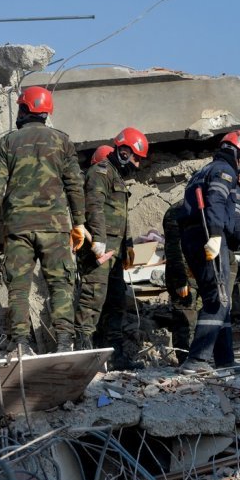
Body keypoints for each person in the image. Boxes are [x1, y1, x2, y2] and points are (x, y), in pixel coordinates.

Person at [0, 85, 86, 355]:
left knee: (18, 289)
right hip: (55, 227)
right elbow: (75, 184)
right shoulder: (63, 141)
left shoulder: (7, 143)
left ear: (25, 109)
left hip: (18, 227)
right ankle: (64, 343)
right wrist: (79, 222)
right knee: (61, 284)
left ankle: (21, 345)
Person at [177, 131, 240, 374]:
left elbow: (233, 221)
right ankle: (197, 361)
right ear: (238, 152)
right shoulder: (223, 171)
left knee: (220, 299)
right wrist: (215, 234)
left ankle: (225, 359)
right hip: (207, 234)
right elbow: (216, 201)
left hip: (196, 235)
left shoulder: (204, 171)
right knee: (218, 299)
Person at [73, 127, 149, 369]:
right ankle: (83, 356)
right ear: (124, 151)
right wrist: (98, 241)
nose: (137, 164)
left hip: (114, 253)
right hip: (99, 251)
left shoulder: (117, 178)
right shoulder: (100, 173)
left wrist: (127, 246)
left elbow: (121, 218)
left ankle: (115, 357)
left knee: (115, 301)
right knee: (92, 300)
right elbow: (94, 207)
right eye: (135, 158)